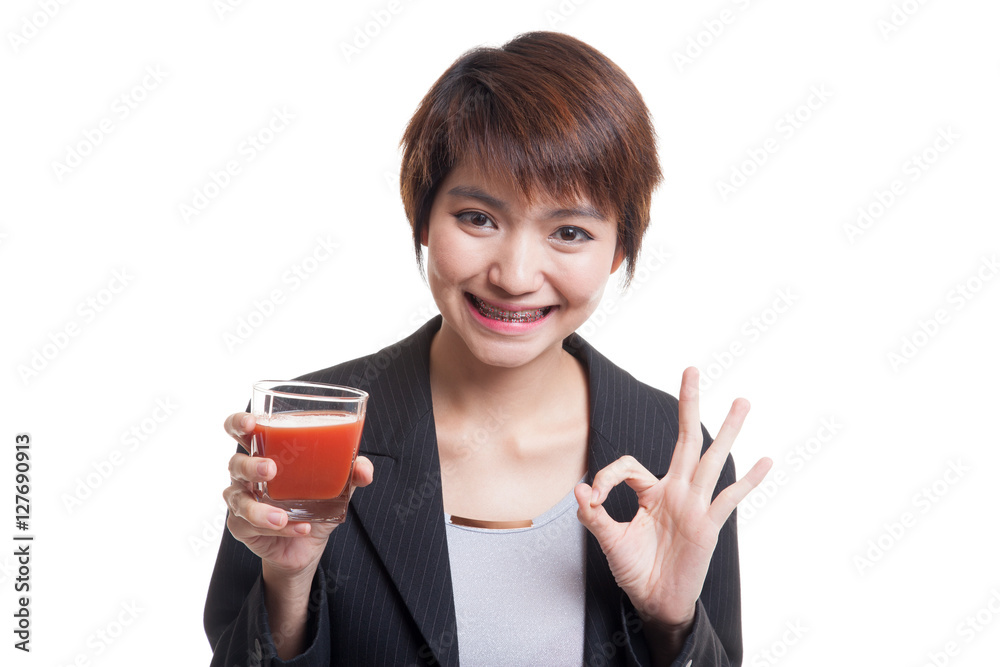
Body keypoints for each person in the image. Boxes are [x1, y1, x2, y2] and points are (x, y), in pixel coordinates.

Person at [205, 31, 772, 667]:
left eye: (569, 231)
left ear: (620, 249)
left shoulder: (673, 454)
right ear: (422, 216)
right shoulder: (307, 431)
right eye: (478, 218)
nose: (515, 275)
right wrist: (287, 585)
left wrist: (672, 625)